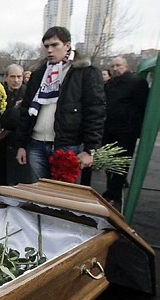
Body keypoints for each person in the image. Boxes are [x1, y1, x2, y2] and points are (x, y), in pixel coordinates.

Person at [15, 26, 105, 183]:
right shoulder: (39, 73)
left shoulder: (85, 72)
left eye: (54, 45)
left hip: (67, 145)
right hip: (36, 144)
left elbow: (95, 111)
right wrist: (21, 144)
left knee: (61, 199)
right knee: (38, 196)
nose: (49, 50)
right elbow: (26, 109)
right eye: (46, 46)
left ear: (67, 46)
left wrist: (90, 149)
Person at [101, 56, 149, 206]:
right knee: (108, 160)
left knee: (121, 163)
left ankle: (115, 193)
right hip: (109, 129)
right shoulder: (110, 84)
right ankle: (111, 189)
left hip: (127, 131)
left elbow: (143, 107)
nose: (115, 68)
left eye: (118, 65)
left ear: (126, 66)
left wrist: (137, 128)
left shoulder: (137, 83)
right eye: (113, 66)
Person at [0, 64, 32, 186]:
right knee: (1, 185)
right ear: (6, 77)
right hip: (2, 145)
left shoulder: (28, 94)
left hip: (20, 144)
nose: (16, 80)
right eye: (12, 77)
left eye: (19, 76)